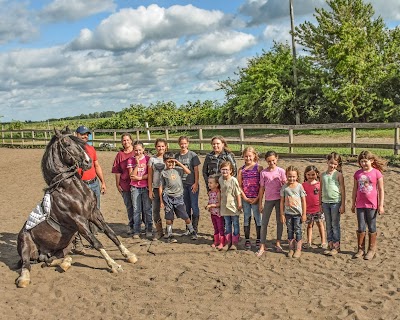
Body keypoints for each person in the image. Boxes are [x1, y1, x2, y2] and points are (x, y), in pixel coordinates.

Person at [351, 150, 385, 260]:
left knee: (371, 226)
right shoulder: (358, 174)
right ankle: (360, 249)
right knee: (361, 227)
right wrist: (353, 203)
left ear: (371, 161)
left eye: (366, 161)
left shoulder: (376, 173)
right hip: (360, 204)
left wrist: (381, 205)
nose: (364, 164)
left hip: (372, 205)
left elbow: (381, 190)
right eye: (361, 161)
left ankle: (371, 249)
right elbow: (355, 189)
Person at [75, 126, 106, 242]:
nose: (85, 136)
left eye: (87, 134)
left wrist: (103, 182)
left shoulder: (91, 149)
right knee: (81, 211)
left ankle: (94, 233)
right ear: (76, 134)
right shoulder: (73, 149)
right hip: (81, 185)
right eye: (83, 134)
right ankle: (82, 235)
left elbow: (96, 166)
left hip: (94, 183)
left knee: (95, 209)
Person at [159, 152, 197, 243]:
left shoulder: (178, 170)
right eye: (168, 162)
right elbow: (160, 187)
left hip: (178, 197)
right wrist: (161, 200)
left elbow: (188, 172)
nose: (171, 164)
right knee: (169, 217)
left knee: (185, 215)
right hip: (168, 197)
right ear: (164, 162)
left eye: (172, 162)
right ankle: (169, 234)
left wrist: (178, 162)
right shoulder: (163, 173)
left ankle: (192, 231)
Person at [256, 151, 286, 257]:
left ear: (276, 159)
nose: (271, 163)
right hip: (268, 200)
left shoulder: (281, 171)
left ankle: (278, 242)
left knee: (280, 221)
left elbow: (285, 185)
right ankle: (262, 244)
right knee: (264, 222)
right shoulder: (263, 173)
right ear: (266, 161)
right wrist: (260, 203)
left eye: (273, 160)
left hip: (279, 200)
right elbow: (262, 188)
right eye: (269, 161)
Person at [320, 152, 346, 256]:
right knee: (328, 224)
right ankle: (330, 244)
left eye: (335, 164)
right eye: (331, 163)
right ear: (327, 162)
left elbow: (343, 190)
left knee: (335, 224)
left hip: (336, 202)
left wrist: (343, 204)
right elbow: (320, 189)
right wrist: (320, 204)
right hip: (325, 203)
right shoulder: (322, 175)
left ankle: (336, 246)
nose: (332, 166)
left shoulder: (338, 175)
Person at [175, 136, 201, 238]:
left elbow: (196, 170)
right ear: (179, 144)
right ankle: (188, 228)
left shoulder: (192, 155)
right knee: (186, 207)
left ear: (188, 143)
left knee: (194, 206)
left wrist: (196, 183)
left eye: (185, 143)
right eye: (181, 143)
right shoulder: (177, 156)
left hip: (191, 184)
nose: (183, 145)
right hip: (182, 185)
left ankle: (195, 229)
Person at [238, 147, 263, 250]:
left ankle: (258, 239)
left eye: (250, 156)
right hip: (246, 198)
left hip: (256, 198)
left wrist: (258, 198)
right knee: (246, 218)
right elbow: (239, 185)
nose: (248, 158)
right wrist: (244, 197)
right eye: (246, 156)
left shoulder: (259, 168)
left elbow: (262, 185)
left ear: (254, 156)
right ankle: (247, 239)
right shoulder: (241, 170)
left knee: (258, 219)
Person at [127, 141, 152, 239]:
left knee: (147, 209)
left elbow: (149, 174)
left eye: (140, 150)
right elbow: (132, 176)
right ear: (133, 150)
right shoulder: (130, 160)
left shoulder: (148, 159)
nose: (138, 152)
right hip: (135, 188)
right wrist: (137, 165)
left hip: (145, 187)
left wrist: (140, 178)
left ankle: (149, 229)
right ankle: (137, 230)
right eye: (136, 150)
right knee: (136, 210)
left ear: (143, 150)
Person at [280, 166, 306, 258]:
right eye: (289, 176)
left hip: (298, 214)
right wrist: (282, 214)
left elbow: (303, 201)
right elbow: (282, 201)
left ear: (297, 176)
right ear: (286, 176)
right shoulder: (285, 187)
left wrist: (304, 214)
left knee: (298, 230)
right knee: (289, 230)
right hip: (288, 214)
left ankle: (298, 249)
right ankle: (291, 248)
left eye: (293, 176)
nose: (291, 178)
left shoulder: (299, 186)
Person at [112, 133, 135, 234]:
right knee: (129, 205)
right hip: (125, 183)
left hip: (138, 183)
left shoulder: (137, 151)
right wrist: (117, 184)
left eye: (127, 140)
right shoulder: (120, 155)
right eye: (124, 140)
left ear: (131, 140)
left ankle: (140, 224)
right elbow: (117, 171)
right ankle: (131, 225)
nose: (126, 142)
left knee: (139, 205)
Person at [302, 165, 327, 249]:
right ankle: (308, 242)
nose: (311, 176)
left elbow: (322, 195)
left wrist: (322, 205)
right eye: (308, 175)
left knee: (320, 224)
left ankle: (323, 241)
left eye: (313, 175)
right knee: (309, 225)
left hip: (318, 208)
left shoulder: (319, 184)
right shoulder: (303, 185)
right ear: (305, 175)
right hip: (308, 209)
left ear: (317, 174)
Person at [219, 161, 242, 251]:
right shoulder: (220, 179)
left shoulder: (233, 180)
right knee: (228, 224)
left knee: (235, 224)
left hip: (233, 206)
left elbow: (238, 193)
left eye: (227, 170)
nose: (225, 171)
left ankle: (235, 243)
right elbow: (220, 192)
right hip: (224, 206)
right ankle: (228, 242)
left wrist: (239, 204)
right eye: (223, 169)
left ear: (231, 170)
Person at [148, 138, 168, 239]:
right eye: (158, 146)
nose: (161, 148)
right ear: (156, 147)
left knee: (168, 210)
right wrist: (150, 190)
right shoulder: (152, 159)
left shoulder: (169, 158)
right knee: (155, 210)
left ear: (166, 147)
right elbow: (150, 175)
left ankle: (169, 230)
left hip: (167, 188)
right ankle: (159, 231)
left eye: (162, 146)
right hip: (156, 187)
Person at [206, 174, 224, 249]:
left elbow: (219, 204)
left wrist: (211, 206)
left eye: (211, 183)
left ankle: (222, 242)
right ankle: (216, 241)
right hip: (213, 213)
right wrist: (208, 205)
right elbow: (210, 201)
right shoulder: (210, 193)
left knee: (220, 228)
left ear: (216, 184)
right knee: (215, 228)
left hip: (218, 214)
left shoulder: (218, 192)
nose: (209, 184)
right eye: (208, 183)